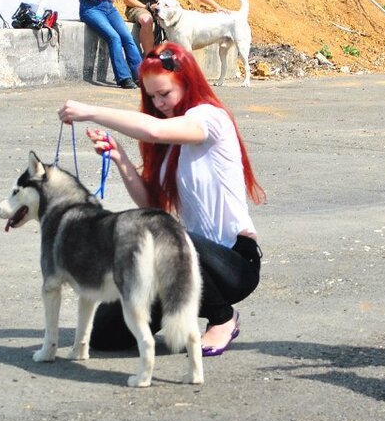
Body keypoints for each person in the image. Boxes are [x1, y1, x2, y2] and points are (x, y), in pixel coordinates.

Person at [58, 41, 265, 356]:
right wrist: (120, 157)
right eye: (151, 96)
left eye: (164, 94)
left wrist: (91, 112)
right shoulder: (171, 143)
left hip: (233, 264)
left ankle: (222, 318)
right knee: (106, 335)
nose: (158, 103)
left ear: (187, 81)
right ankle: (187, 309)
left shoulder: (209, 117)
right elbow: (152, 206)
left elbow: (153, 130)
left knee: (163, 233)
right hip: (185, 267)